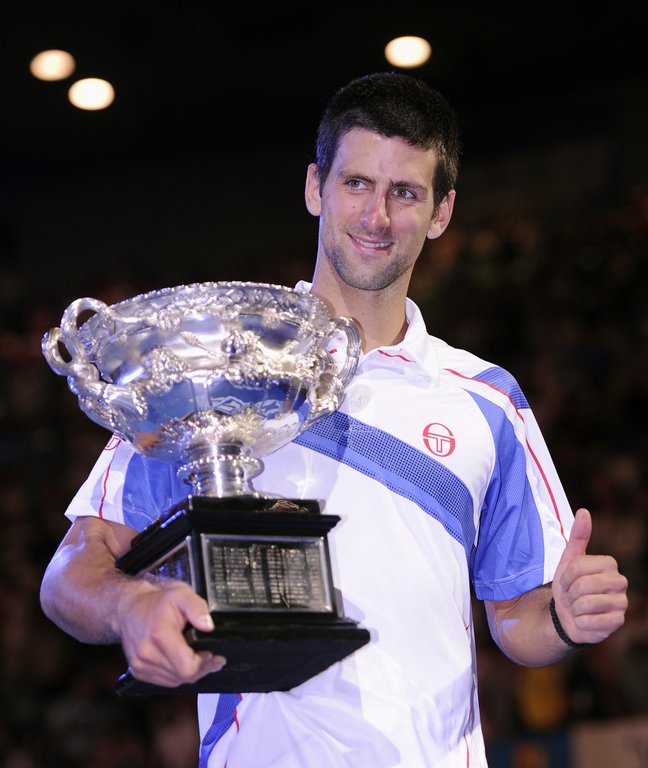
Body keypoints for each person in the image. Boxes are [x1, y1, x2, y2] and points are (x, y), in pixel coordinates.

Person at [40, 72, 628, 767]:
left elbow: (515, 618)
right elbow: (70, 572)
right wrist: (130, 606)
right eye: (357, 184)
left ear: (441, 212)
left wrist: (563, 615)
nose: (377, 215)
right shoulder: (216, 366)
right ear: (316, 187)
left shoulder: (486, 399)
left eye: (405, 192)